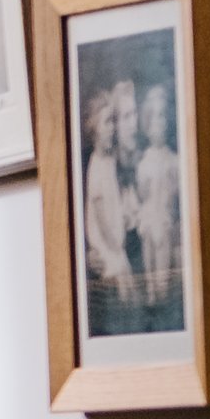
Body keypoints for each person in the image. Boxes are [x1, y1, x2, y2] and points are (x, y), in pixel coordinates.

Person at [83, 91, 132, 318]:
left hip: (117, 242)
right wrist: (114, 245)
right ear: (94, 129)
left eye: (113, 121)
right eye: (107, 122)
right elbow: (101, 215)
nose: (112, 128)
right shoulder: (96, 168)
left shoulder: (110, 161)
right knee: (122, 286)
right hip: (107, 246)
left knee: (129, 286)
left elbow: (117, 200)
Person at [132, 81, 181, 302]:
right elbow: (143, 190)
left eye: (161, 116)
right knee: (149, 239)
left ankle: (161, 291)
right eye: (152, 118)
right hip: (149, 213)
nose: (157, 124)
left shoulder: (173, 160)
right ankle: (151, 290)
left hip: (165, 215)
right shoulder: (144, 161)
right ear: (146, 123)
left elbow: (176, 192)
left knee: (161, 237)